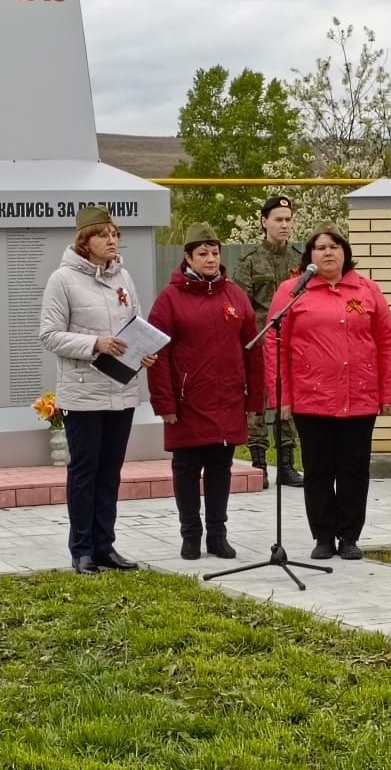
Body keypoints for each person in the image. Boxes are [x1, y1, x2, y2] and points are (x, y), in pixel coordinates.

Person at [266, 220, 391, 560]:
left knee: (354, 469)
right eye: (320, 247)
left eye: (334, 247)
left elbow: (386, 341)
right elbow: (274, 342)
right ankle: (323, 536)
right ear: (310, 255)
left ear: (345, 252)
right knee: (318, 470)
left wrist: (389, 392)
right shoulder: (292, 291)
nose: (328, 253)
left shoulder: (367, 290)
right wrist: (280, 395)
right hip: (312, 397)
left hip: (359, 397)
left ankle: (350, 535)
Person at [39, 206, 156, 576]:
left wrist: (143, 352)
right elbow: (50, 335)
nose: (111, 240)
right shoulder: (62, 280)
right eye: (103, 234)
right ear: (84, 241)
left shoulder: (124, 277)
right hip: (83, 392)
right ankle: (82, 548)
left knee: (111, 472)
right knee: (85, 472)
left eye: (115, 233)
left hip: (121, 390)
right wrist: (96, 344)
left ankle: (106, 546)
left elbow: (135, 322)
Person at [147, 223, 264, 560]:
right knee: (185, 468)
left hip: (227, 399)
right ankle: (190, 534)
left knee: (220, 468)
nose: (211, 259)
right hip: (187, 403)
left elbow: (252, 350)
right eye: (203, 254)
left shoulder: (235, 296)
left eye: (214, 253)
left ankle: (217, 533)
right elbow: (158, 354)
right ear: (188, 258)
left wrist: (253, 398)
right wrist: (165, 402)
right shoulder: (170, 299)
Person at [234, 195, 305, 488]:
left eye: (288, 220)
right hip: (262, 344)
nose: (284, 225)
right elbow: (241, 306)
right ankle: (259, 464)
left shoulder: (300, 261)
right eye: (278, 220)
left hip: (293, 345)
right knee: (259, 406)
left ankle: (286, 464)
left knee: (288, 403)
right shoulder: (250, 262)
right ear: (264, 222)